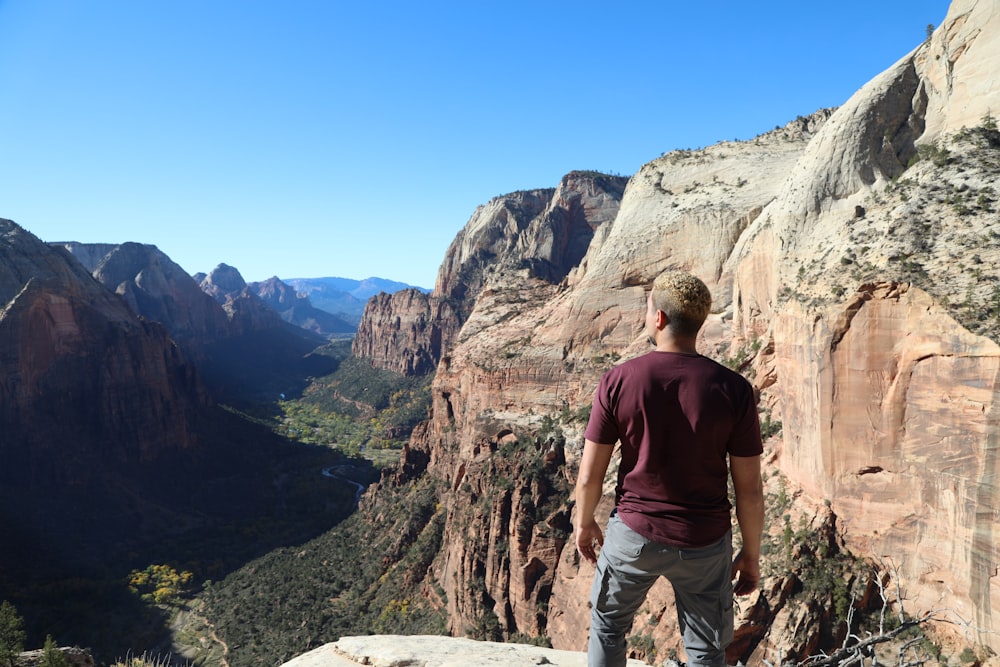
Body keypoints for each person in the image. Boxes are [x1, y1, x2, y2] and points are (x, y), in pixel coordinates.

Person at [574, 270, 765, 667]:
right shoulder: (734, 389)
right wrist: (751, 552)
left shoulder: (618, 380)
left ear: (658, 318)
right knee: (706, 649)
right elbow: (749, 488)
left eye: (648, 310)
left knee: (609, 627)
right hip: (704, 541)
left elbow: (591, 473)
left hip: (633, 534)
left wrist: (584, 520)